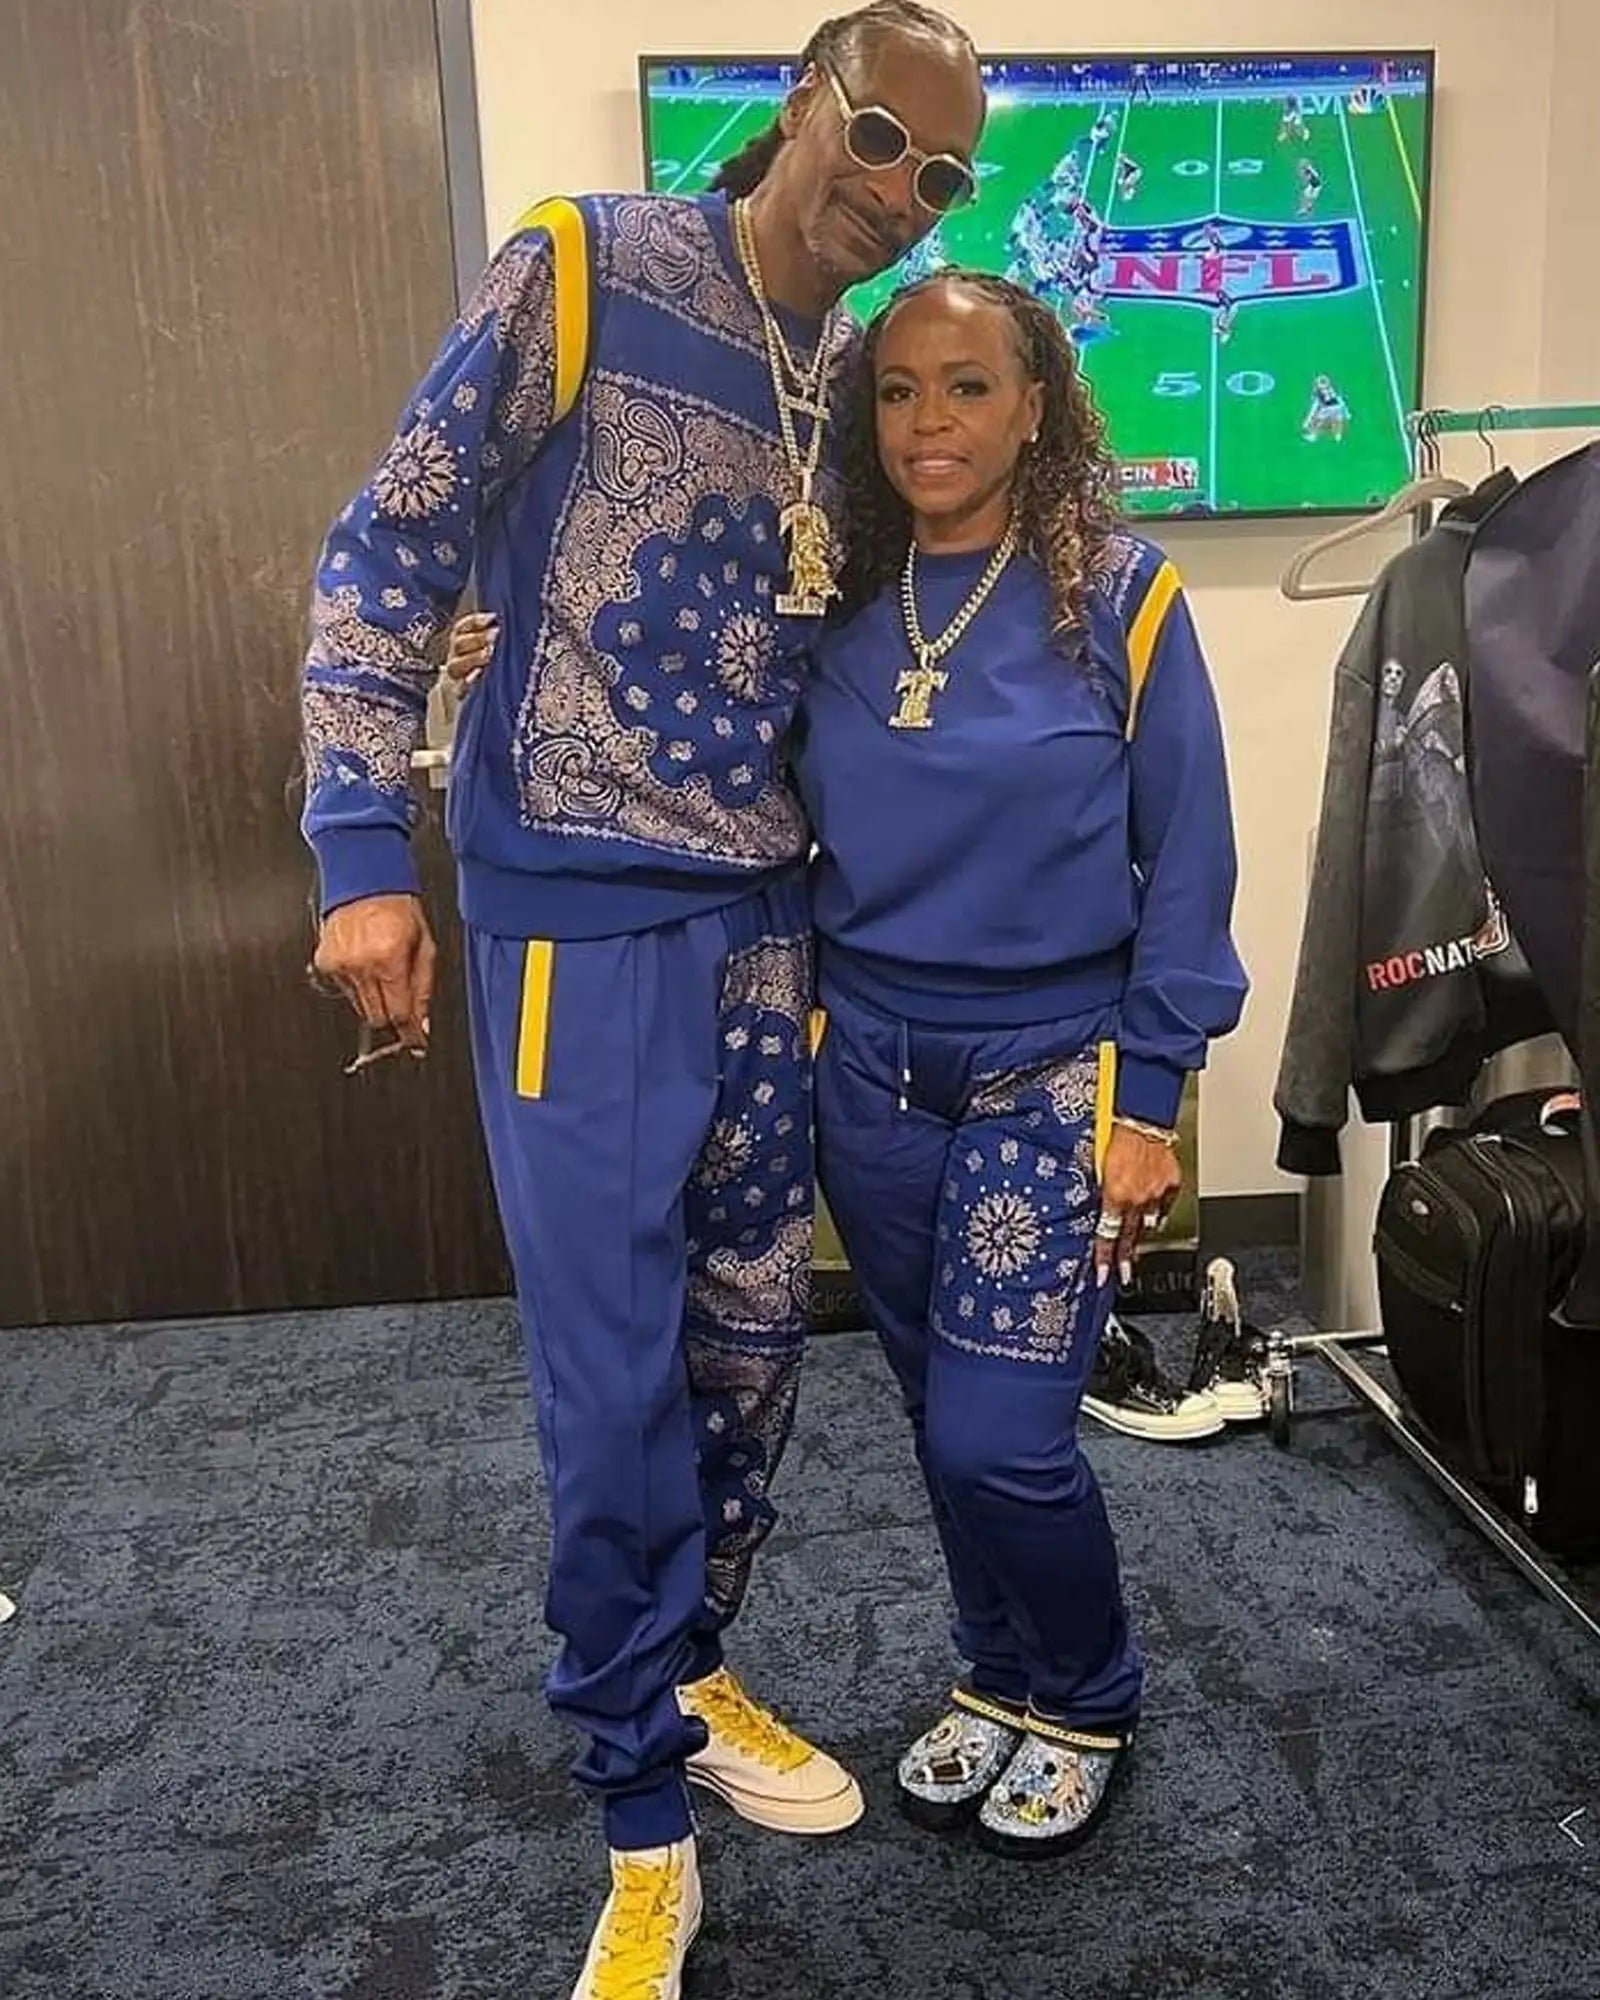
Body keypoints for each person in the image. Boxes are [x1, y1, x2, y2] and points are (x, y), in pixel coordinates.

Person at [300, 7, 984, 1995]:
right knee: (610, 1385)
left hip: (771, 926)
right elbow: (392, 542)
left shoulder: (861, 375)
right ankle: (636, 1814)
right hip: (577, 922)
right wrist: (358, 847)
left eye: (942, 174)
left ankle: (688, 1664)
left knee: (749, 1352)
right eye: (878, 135)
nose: (898, 190)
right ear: (799, 105)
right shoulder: (585, 264)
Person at [795, 271, 1247, 1854]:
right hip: (871, 1070)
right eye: (898, 389)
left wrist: (1152, 1100)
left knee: (1005, 1436)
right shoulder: (833, 596)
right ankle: (998, 1672)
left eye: (970, 385)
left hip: (1049, 1069)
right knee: (941, 1416)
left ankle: (1091, 1693)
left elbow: (1189, 858)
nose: (930, 421)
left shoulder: (1121, 594)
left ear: (1036, 405)